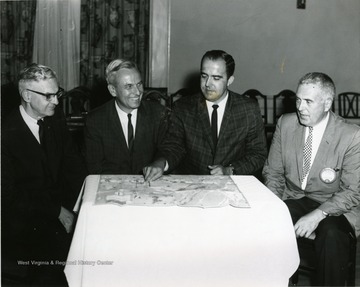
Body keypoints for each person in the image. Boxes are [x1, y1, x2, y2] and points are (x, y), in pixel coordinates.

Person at [263, 72, 360, 286]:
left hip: (336, 204)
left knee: (331, 234)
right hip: (295, 197)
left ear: (327, 103)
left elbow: (352, 192)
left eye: (308, 101)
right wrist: (274, 207)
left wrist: (317, 214)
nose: (300, 107)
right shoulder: (286, 124)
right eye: (298, 99)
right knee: (268, 222)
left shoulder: (351, 135)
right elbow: (273, 172)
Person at [1, 63, 87, 286]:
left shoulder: (55, 118)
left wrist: (80, 207)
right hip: (22, 226)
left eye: (57, 93)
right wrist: (58, 211)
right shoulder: (5, 133)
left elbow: (73, 166)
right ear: (27, 95)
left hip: (60, 211)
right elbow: (8, 196)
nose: (57, 101)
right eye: (49, 96)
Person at [144, 50, 267, 181]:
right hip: (193, 185)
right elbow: (174, 146)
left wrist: (230, 170)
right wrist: (161, 162)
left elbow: (258, 154)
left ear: (230, 80)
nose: (208, 84)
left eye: (216, 78)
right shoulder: (183, 107)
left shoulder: (248, 109)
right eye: (204, 76)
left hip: (234, 185)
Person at [84, 59, 168, 174]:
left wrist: (160, 163)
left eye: (139, 84)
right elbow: (95, 168)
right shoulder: (95, 120)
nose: (138, 92)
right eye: (129, 86)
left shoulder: (158, 113)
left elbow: (167, 150)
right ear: (113, 90)